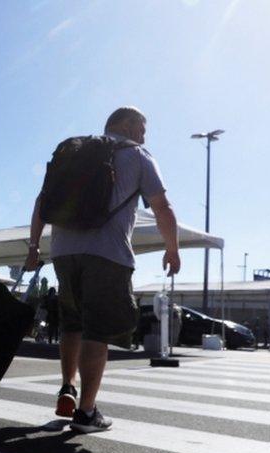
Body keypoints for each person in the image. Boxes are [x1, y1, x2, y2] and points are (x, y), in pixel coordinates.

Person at [25, 106, 181, 433]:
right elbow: (163, 207)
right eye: (142, 129)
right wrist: (172, 248)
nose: (144, 136)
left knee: (71, 324)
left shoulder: (73, 152)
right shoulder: (137, 155)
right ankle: (86, 412)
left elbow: (42, 201)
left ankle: (68, 386)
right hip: (107, 254)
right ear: (126, 125)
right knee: (98, 330)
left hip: (64, 253)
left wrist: (34, 246)